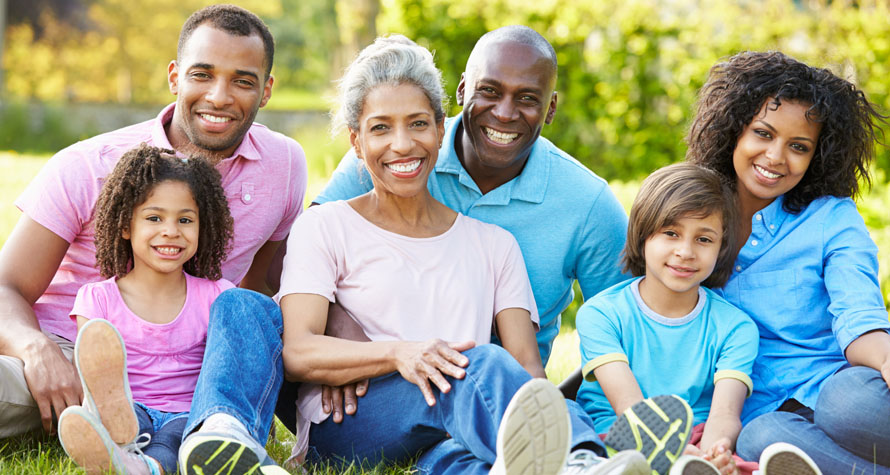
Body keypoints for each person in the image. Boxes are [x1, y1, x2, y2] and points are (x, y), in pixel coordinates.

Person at [177, 35, 652, 475]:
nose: (402, 144)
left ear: (441, 130)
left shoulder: (494, 244)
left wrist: (536, 400)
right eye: (381, 128)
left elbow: (527, 367)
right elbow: (298, 351)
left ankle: (576, 462)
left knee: (467, 452)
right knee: (477, 365)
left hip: (454, 421)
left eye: (419, 124)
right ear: (356, 143)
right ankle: (578, 462)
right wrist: (398, 355)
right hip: (353, 422)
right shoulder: (326, 225)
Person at [0, 4, 306, 438]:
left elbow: (257, 288)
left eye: (242, 80)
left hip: (188, 372)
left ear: (267, 89)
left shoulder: (285, 164)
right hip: (72, 354)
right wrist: (36, 351)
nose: (219, 96)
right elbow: (4, 286)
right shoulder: (90, 165)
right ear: (174, 77)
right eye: (202, 74)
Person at [313, 25, 629, 372]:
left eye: (527, 98)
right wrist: (342, 331)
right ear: (463, 90)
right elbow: (298, 255)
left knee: (493, 369)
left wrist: (562, 403)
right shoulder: (397, 155)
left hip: (507, 393)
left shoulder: (589, 203)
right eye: (489, 91)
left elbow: (629, 331)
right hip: (383, 376)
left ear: (550, 108)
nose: (505, 113)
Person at [688, 51, 890, 473]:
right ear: (733, 130)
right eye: (763, 133)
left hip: (839, 392)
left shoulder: (830, 218)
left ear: (818, 155)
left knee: (846, 402)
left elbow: (858, 314)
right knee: (761, 440)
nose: (775, 156)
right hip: (764, 413)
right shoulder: (691, 218)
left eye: (798, 146)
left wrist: (889, 359)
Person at [56, 144, 234, 475]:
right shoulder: (97, 299)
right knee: (123, 419)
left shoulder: (219, 297)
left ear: (202, 227)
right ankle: (111, 432)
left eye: (185, 219)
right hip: (128, 407)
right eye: (154, 218)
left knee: (176, 440)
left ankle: (139, 466)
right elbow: (89, 370)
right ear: (126, 226)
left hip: (189, 413)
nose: (171, 231)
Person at [575, 163, 760, 475]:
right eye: (671, 234)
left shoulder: (736, 328)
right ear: (643, 235)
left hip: (697, 436)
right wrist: (668, 449)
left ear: (721, 246)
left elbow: (725, 412)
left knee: (733, 466)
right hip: (620, 435)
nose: (685, 251)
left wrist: (712, 453)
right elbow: (627, 405)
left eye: (704, 239)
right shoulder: (600, 315)